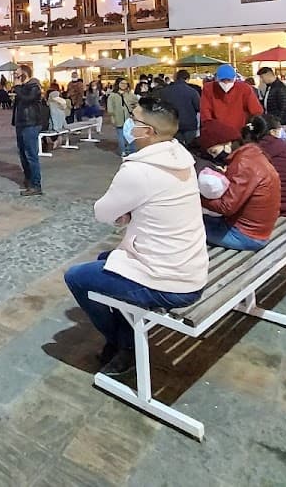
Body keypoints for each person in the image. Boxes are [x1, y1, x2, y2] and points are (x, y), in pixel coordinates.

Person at [63, 97, 207, 378]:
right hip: (188, 264)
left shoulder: (139, 170)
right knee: (106, 259)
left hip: (169, 279)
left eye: (135, 120)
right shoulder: (179, 157)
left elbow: (102, 212)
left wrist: (125, 212)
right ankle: (125, 343)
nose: (129, 124)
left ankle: (121, 343)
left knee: (77, 277)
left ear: (148, 132)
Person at [199, 116, 281, 250]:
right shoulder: (253, 154)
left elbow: (226, 207)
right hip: (258, 230)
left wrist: (197, 197)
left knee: (186, 230)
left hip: (247, 236)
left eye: (214, 151)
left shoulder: (243, 164)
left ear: (227, 143)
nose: (214, 157)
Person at [12, 64, 44, 196]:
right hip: (21, 123)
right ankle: (29, 179)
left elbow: (27, 100)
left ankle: (36, 185)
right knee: (22, 154)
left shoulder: (34, 86)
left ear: (24, 74)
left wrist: (18, 87)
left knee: (31, 155)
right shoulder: (24, 87)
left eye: (17, 74)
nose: (15, 77)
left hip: (30, 123)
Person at [200, 64, 261, 133]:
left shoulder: (244, 88)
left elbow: (256, 110)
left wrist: (251, 125)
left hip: (240, 131)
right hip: (218, 131)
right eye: (222, 80)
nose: (226, 83)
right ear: (217, 79)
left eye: (229, 80)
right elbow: (205, 110)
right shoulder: (209, 89)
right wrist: (209, 127)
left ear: (234, 78)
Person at [158, 69, 200, 147]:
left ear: (175, 78)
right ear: (187, 79)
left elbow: (161, 107)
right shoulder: (192, 91)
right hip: (189, 124)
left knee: (177, 147)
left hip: (172, 123)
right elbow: (198, 107)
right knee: (192, 147)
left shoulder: (164, 92)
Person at [106, 78, 137, 156]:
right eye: (122, 83)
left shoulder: (130, 94)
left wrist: (133, 111)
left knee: (131, 134)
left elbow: (136, 103)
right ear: (117, 84)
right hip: (118, 117)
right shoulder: (112, 95)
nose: (123, 85)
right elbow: (110, 108)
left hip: (129, 118)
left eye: (125, 83)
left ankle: (132, 150)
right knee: (120, 135)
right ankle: (123, 150)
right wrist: (113, 117)